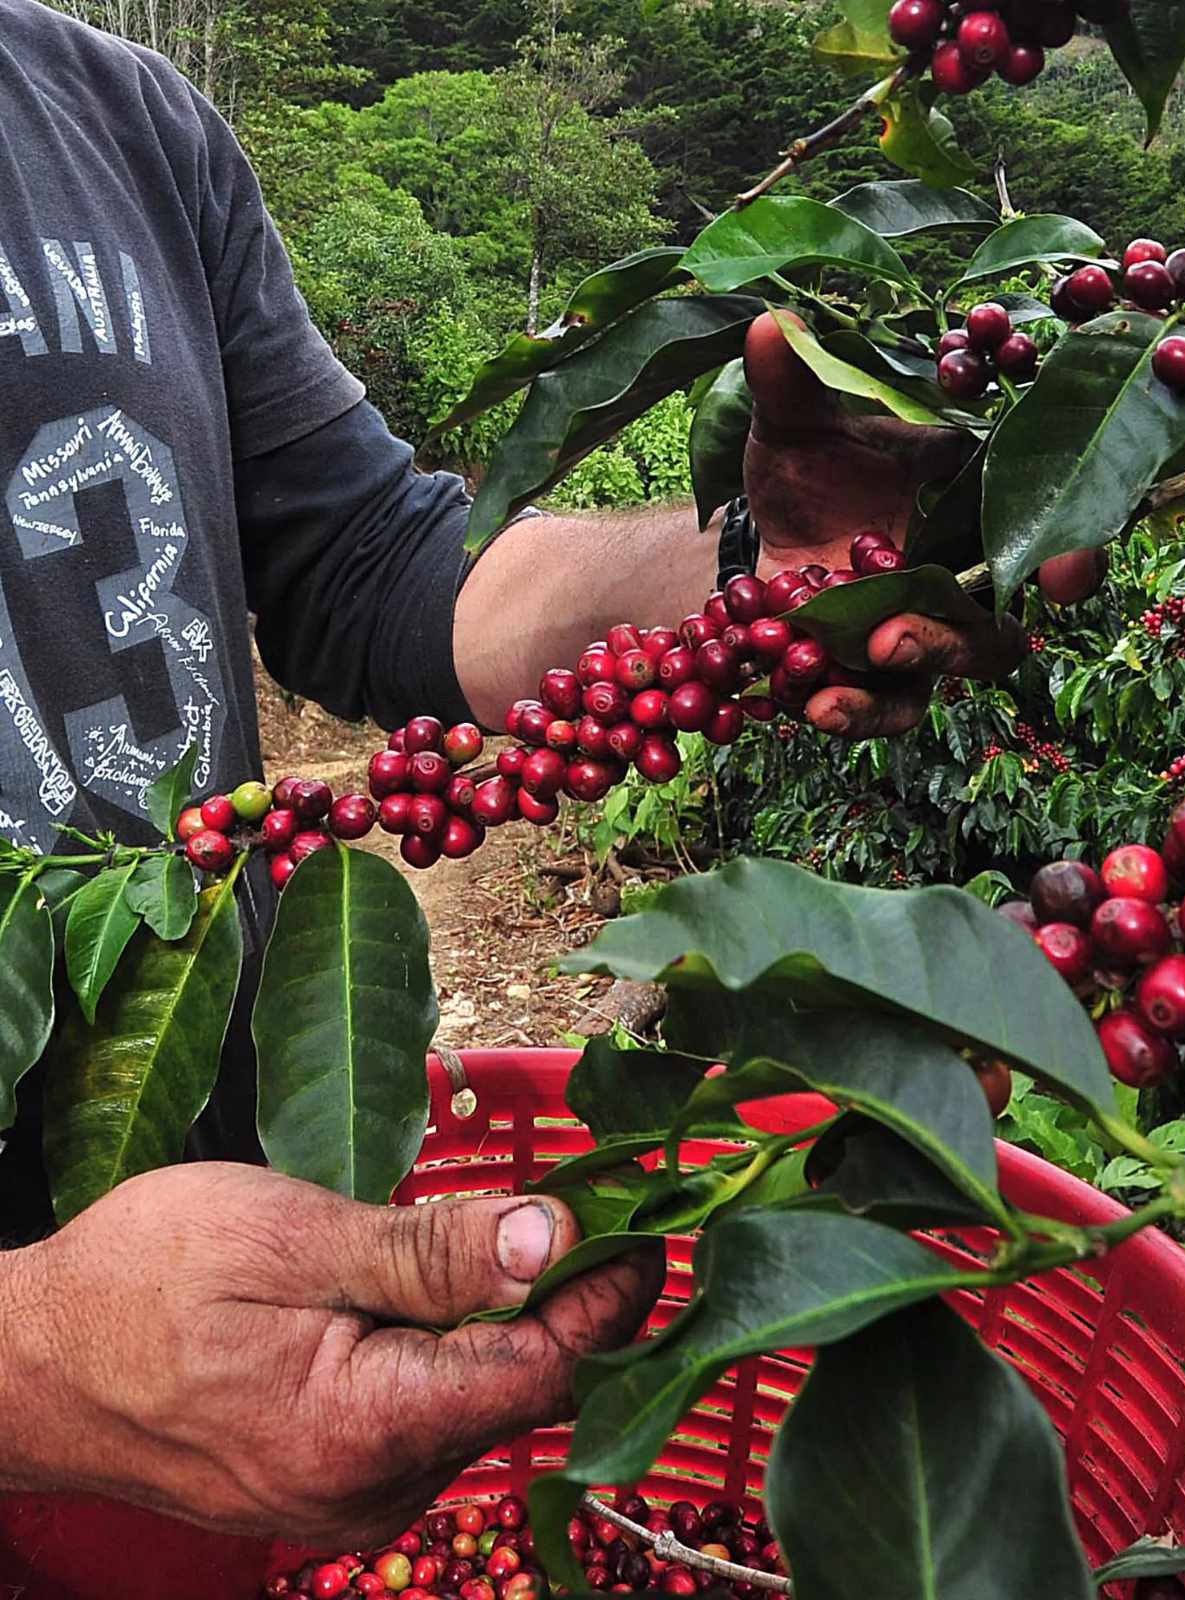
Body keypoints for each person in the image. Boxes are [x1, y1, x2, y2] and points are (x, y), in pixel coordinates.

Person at [0, 0, 1072, 1547]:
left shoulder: (119, 121)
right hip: (114, 1347)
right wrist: (40, 1356)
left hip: (205, 1286)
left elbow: (366, 561)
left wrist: (748, 581)